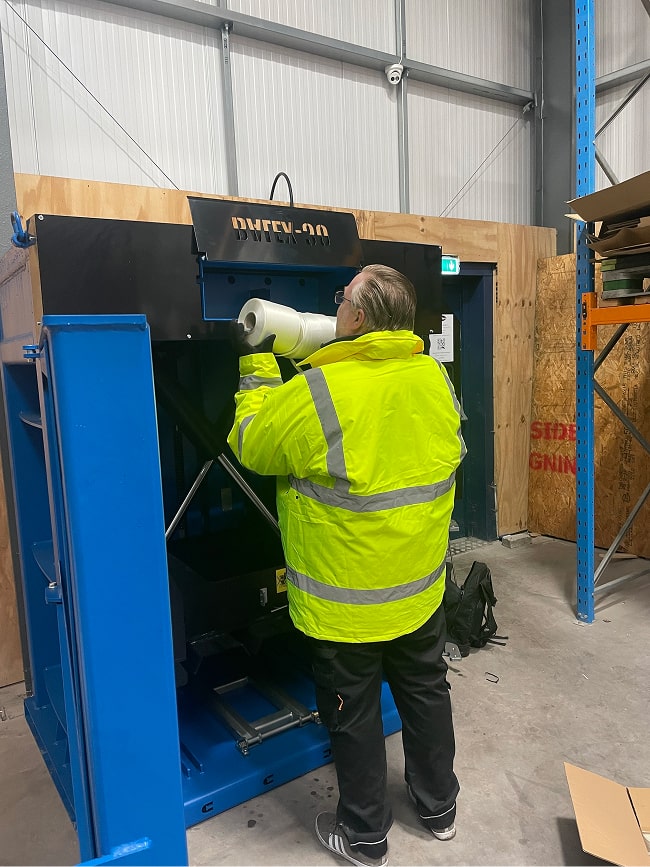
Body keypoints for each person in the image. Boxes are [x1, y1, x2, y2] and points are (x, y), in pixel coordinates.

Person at [227, 264, 466, 867]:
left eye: (341, 300)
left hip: (345, 602)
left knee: (352, 715)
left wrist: (256, 361)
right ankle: (439, 810)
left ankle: (364, 837)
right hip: (417, 587)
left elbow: (253, 442)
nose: (335, 308)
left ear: (356, 318)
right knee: (426, 693)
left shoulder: (316, 394)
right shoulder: (433, 378)